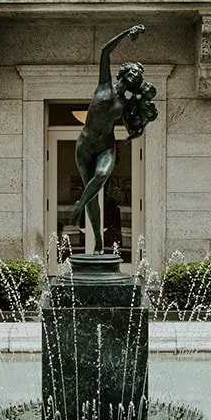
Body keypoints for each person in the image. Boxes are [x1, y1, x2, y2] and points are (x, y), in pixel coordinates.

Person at [70, 24, 157, 255]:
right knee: (93, 197)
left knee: (100, 177)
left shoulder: (126, 104)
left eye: (138, 75)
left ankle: (79, 205)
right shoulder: (104, 85)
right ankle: (98, 242)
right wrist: (128, 33)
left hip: (106, 147)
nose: (135, 75)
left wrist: (142, 123)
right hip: (84, 146)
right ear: (124, 72)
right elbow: (105, 51)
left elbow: (132, 128)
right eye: (133, 71)